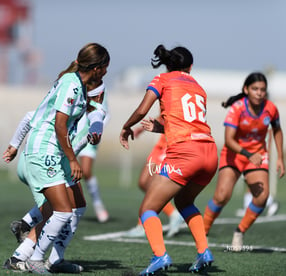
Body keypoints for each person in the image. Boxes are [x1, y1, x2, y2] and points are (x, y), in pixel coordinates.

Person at [12, 42, 110, 274]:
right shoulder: (71, 84)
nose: (106, 73)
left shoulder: (83, 85)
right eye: (105, 67)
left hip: (57, 153)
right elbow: (59, 125)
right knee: (61, 211)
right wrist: (74, 160)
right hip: (44, 151)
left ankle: (53, 260)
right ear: (96, 69)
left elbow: (97, 112)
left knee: (76, 206)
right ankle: (30, 258)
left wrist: (96, 129)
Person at [120, 44, 218, 275]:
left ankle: (159, 256)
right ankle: (204, 251)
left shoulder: (162, 79)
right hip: (210, 152)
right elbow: (188, 123)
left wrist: (126, 127)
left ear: (168, 64)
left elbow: (143, 109)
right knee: (184, 202)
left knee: (147, 208)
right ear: (190, 67)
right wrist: (160, 128)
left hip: (186, 153)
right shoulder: (198, 88)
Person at [203, 72, 284, 251]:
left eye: (263, 90)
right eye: (255, 89)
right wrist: (248, 154)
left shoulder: (271, 108)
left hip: (257, 156)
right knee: (222, 196)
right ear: (246, 90)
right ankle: (203, 232)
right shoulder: (237, 108)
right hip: (234, 154)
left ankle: (239, 232)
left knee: (262, 197)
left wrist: (280, 158)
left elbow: (277, 130)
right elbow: (229, 139)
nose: (259, 93)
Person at [124, 131, 184, 238]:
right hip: (160, 143)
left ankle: (142, 225)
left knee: (153, 185)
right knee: (143, 182)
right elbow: (161, 116)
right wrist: (141, 128)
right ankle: (173, 213)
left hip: (171, 139)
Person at [77, 95, 110, 223]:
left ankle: (98, 204)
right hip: (71, 134)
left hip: (89, 135)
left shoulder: (99, 88)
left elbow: (106, 114)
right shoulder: (75, 85)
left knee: (85, 171)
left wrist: (96, 129)